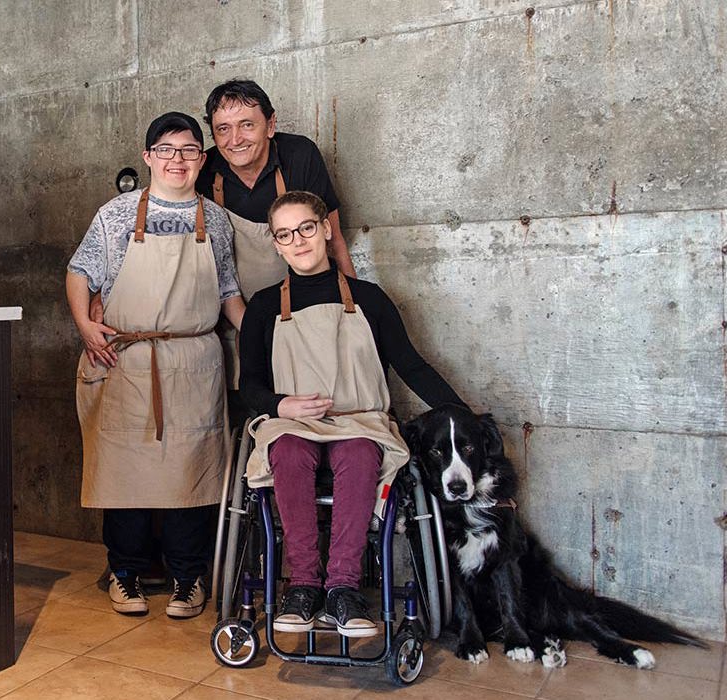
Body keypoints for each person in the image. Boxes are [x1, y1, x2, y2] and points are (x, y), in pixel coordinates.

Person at [238, 190, 465, 637]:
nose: (298, 240)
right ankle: (302, 585)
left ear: (325, 229)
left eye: (306, 228)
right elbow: (249, 385)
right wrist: (282, 404)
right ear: (276, 245)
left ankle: (343, 586)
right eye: (285, 234)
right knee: (287, 449)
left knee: (362, 452)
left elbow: (412, 365)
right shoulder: (264, 307)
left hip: (359, 420)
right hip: (293, 423)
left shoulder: (370, 299)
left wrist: (460, 413)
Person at [67, 112, 245, 619]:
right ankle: (125, 574)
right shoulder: (117, 215)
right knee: (124, 479)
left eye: (188, 150)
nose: (177, 160)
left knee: (193, 476)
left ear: (202, 160)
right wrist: (85, 324)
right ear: (148, 158)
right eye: (166, 150)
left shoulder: (218, 220)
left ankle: (188, 578)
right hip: (128, 359)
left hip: (194, 362)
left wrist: (259, 336)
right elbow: (80, 271)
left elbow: (228, 289)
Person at [196, 79, 355, 301]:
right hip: (234, 311)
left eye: (247, 125)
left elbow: (334, 240)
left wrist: (356, 306)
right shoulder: (202, 171)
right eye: (223, 129)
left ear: (270, 125)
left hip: (306, 303)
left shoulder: (300, 155)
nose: (235, 139)